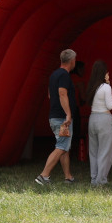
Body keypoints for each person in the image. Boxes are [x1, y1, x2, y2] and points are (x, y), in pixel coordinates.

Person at [36, 49, 79, 186]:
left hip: (54, 116)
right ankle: (44, 175)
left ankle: (68, 177)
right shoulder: (64, 75)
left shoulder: (54, 75)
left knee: (64, 146)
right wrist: (68, 114)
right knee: (61, 146)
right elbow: (62, 93)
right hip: (62, 118)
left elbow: (50, 94)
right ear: (72, 61)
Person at [85, 59, 112, 186]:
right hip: (104, 120)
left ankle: (94, 179)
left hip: (92, 119)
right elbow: (110, 105)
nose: (109, 75)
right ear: (103, 73)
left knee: (93, 151)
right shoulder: (106, 87)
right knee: (105, 151)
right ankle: (101, 180)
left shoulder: (92, 86)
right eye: (107, 73)